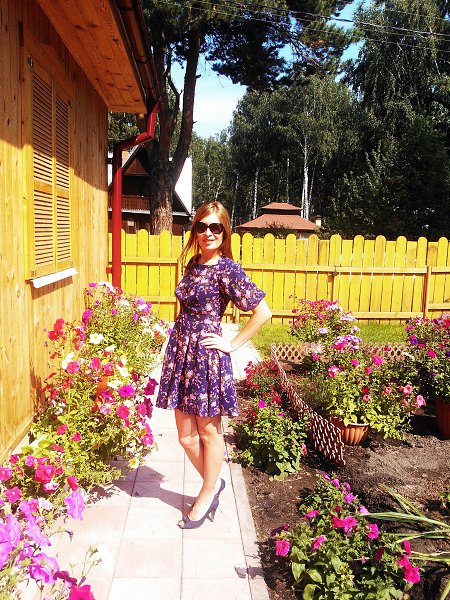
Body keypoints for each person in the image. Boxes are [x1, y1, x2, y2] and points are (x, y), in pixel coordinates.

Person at [156, 201, 271, 529]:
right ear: (195, 230)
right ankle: (214, 482)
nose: (208, 233)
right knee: (185, 436)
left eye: (215, 227)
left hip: (206, 358)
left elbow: (263, 313)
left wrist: (231, 344)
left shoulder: (227, 270)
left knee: (208, 431)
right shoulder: (193, 264)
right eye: (202, 226)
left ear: (224, 232)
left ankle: (207, 493)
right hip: (182, 353)